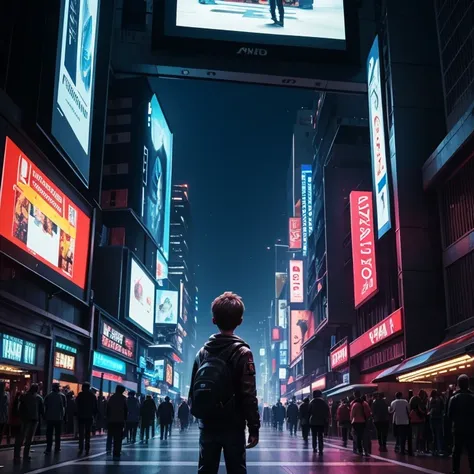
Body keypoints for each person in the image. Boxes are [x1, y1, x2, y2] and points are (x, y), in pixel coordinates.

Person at [189, 291, 260, 474]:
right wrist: (253, 427)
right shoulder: (243, 353)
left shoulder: (202, 353)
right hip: (233, 425)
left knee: (205, 470)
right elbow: (248, 394)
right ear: (240, 321)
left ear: (214, 320)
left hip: (207, 425)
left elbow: (192, 393)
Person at [448, 374, 474, 474]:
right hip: (471, 428)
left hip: (457, 428)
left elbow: (449, 415)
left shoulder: (453, 398)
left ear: (458, 384)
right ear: (468, 384)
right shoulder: (472, 397)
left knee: (456, 450)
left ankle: (456, 470)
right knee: (471, 450)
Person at [14, 384, 44, 462]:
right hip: (34, 419)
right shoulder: (39, 398)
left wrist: (20, 416)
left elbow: (19, 407)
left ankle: (17, 456)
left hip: (24, 419)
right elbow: (42, 410)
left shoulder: (24, 396)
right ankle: (26, 455)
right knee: (29, 439)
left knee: (21, 437)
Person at [76, 382, 98, 456]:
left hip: (81, 416)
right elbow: (95, 407)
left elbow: (77, 405)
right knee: (88, 433)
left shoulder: (80, 395)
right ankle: (87, 447)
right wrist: (94, 416)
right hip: (89, 417)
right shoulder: (92, 396)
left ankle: (81, 447)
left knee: (81, 433)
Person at [106, 385, 128, 460]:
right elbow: (125, 410)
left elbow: (108, 409)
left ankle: (108, 448)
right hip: (120, 420)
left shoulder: (111, 398)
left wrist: (107, 418)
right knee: (118, 438)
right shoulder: (123, 399)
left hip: (111, 420)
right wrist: (125, 420)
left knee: (110, 435)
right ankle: (117, 452)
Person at [43, 383, 66, 454]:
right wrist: (63, 417)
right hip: (58, 417)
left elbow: (45, 406)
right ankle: (57, 447)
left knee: (49, 434)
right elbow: (64, 407)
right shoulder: (62, 396)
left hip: (50, 417)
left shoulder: (48, 396)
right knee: (57, 434)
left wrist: (45, 416)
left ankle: (48, 448)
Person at [308, 390, 330, 455]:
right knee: (320, 436)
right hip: (321, 422)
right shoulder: (324, 402)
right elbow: (327, 412)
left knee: (314, 436)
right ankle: (320, 449)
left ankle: (314, 447)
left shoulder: (311, 402)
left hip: (313, 421)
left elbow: (309, 412)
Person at [350, 390, 371, 456]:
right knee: (364, 437)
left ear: (354, 395)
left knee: (357, 437)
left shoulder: (354, 404)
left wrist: (351, 421)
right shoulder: (365, 403)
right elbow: (369, 413)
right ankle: (366, 451)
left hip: (356, 422)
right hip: (364, 422)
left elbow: (352, 415)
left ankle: (359, 450)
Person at [428, 389, 444, 455]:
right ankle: (440, 449)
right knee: (439, 434)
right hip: (439, 417)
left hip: (432, 418)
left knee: (433, 434)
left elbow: (428, 408)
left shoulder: (430, 400)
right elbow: (443, 407)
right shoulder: (440, 399)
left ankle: (434, 450)